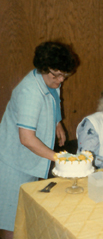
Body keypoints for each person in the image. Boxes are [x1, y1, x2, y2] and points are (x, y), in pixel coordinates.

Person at [0, 41, 79, 239]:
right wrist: (59, 158)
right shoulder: (30, 92)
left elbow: (53, 98)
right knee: (10, 221)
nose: (60, 80)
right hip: (12, 161)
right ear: (43, 68)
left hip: (27, 160)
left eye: (64, 75)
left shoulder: (49, 80)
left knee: (23, 214)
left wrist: (57, 122)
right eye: (56, 75)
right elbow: (26, 139)